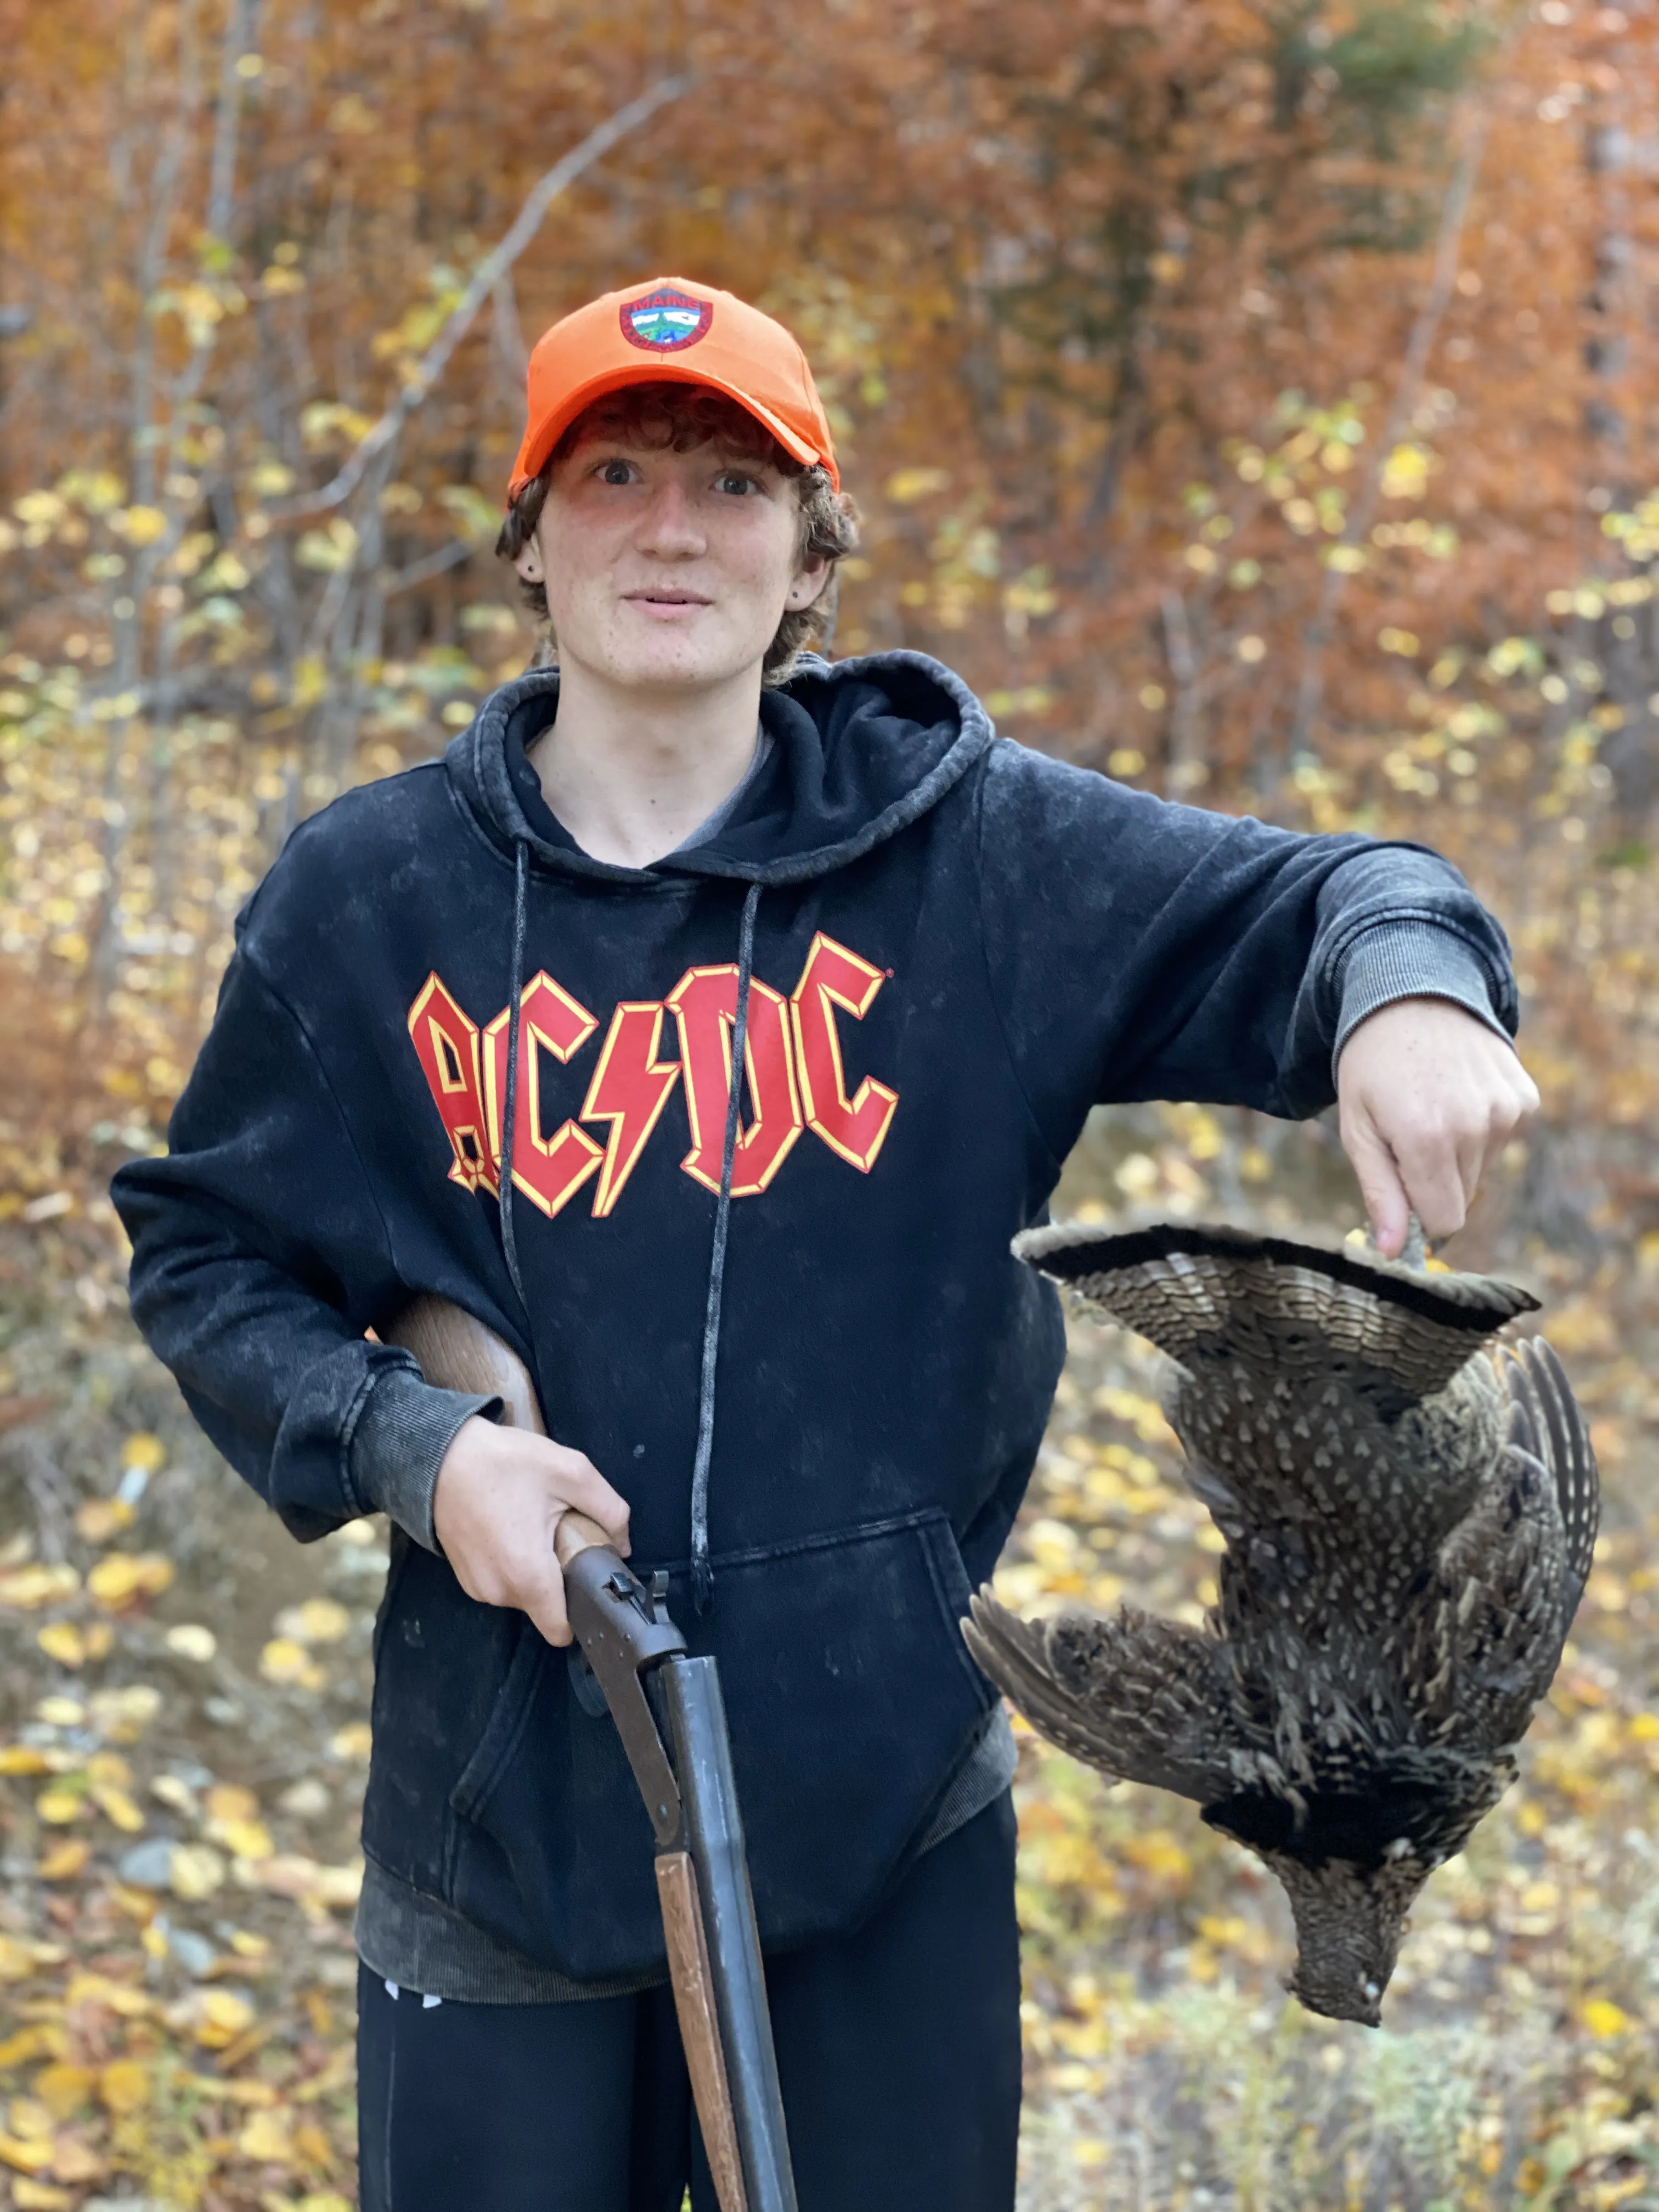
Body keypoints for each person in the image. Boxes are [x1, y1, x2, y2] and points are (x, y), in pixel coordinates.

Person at [112, 276, 1538, 2212]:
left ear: (809, 553)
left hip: (886, 1832)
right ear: (529, 541)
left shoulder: (979, 861)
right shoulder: (369, 899)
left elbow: (1347, 897)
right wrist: (418, 1453)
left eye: (732, 479)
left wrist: (1410, 997)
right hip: (498, 1835)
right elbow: (207, 1258)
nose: (673, 525)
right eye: (612, 471)